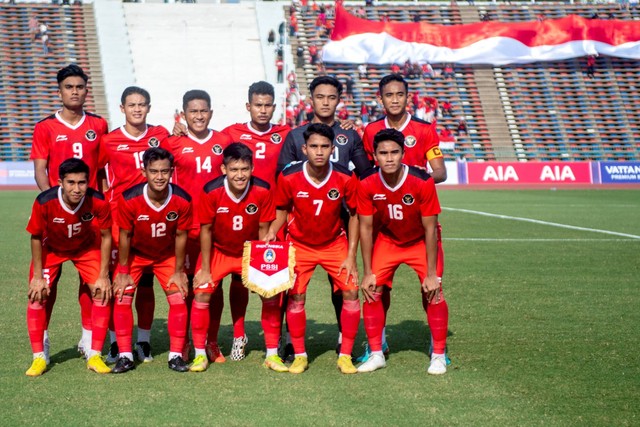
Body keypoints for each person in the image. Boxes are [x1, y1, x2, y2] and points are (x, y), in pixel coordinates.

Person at [277, 75, 371, 361]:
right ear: (311, 99)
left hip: (341, 223)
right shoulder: (296, 136)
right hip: (302, 221)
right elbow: (284, 174)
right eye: (320, 97)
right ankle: (288, 340)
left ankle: (345, 337)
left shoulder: (349, 134)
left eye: (332, 97)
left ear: (338, 100)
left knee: (342, 286)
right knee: (290, 288)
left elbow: (365, 173)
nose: (326, 102)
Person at [359, 73, 448, 364]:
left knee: (432, 287)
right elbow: (367, 172)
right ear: (380, 98)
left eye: (400, 95)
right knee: (375, 287)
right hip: (385, 226)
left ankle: (438, 353)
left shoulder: (424, 130)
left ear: (407, 97)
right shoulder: (371, 130)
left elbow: (441, 172)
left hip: (416, 217)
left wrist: (410, 181)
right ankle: (378, 343)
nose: (394, 100)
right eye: (389, 95)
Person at [265, 123, 361, 375]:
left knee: (351, 293)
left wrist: (351, 256)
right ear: (304, 149)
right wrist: (272, 231)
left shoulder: (345, 177)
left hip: (334, 244)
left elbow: (354, 215)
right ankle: (299, 355)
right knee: (296, 297)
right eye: (314, 147)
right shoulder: (288, 176)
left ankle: (345, 355)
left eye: (325, 147)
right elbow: (281, 210)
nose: (319, 152)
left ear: (332, 148)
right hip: (300, 245)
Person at [30, 64, 109, 360]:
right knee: (48, 281)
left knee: (90, 279)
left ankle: (88, 338)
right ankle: (44, 340)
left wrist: (99, 203)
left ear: (86, 90)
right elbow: (40, 169)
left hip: (88, 214)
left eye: (79, 87)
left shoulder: (99, 125)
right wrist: (53, 202)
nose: (74, 91)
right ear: (60, 90)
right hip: (56, 216)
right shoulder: (45, 127)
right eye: (69, 87)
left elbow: (100, 171)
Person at [217, 82, 291, 361]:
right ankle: (239, 335)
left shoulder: (285, 134)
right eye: (257, 105)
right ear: (248, 106)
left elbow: (319, 137)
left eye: (267, 105)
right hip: (240, 216)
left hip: (274, 219)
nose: (263, 109)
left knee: (274, 280)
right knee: (238, 279)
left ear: (274, 106)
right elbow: (204, 141)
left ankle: (278, 336)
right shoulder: (231, 134)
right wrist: (179, 130)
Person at [191, 143, 276, 372]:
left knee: (270, 294)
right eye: (234, 169)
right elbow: (206, 231)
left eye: (245, 169)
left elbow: (263, 229)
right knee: (202, 292)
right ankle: (202, 351)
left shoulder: (263, 190)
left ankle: (271, 352)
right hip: (219, 251)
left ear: (252, 168)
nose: (240, 175)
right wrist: (206, 268)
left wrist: (261, 268)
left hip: (248, 251)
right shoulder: (211, 191)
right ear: (223, 170)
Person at [100, 86, 170, 364]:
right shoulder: (108, 141)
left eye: (142, 104)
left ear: (149, 108)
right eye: (132, 105)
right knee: (121, 282)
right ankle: (117, 342)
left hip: (152, 219)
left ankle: (143, 340)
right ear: (122, 109)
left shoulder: (160, 135)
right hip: (120, 221)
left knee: (146, 284)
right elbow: (98, 175)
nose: (137, 109)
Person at [25, 158, 112, 376]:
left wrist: (103, 275)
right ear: (60, 182)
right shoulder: (44, 201)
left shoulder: (98, 201)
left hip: (86, 248)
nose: (76, 188)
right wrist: (37, 276)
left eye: (81, 182)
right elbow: (35, 237)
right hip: (52, 249)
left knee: (101, 291)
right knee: (38, 295)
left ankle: (94, 354)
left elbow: (106, 235)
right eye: (71, 182)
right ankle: (39, 357)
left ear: (88, 182)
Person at [167, 90, 233, 363]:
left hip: (214, 227)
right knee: (185, 288)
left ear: (211, 113)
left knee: (211, 286)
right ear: (183, 114)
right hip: (183, 227)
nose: (198, 116)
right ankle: (183, 344)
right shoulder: (172, 142)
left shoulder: (224, 141)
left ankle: (211, 342)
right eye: (193, 111)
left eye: (203, 111)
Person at [112, 147, 192, 373]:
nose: (159, 177)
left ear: (171, 172)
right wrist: (124, 270)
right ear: (143, 171)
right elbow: (125, 235)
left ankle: (176, 355)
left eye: (165, 171)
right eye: (154, 171)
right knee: (122, 296)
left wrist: (178, 271)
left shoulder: (182, 200)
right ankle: (126, 355)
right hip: (136, 255)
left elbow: (181, 235)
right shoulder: (129, 199)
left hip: (165, 255)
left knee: (178, 298)